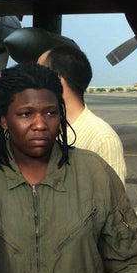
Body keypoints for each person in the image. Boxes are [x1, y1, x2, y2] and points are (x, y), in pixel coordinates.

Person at [0, 62, 137, 273]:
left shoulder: (94, 173)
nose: (40, 124)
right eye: (26, 114)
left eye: (50, 112)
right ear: (4, 120)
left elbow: (132, 262)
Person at [37, 45, 127, 184]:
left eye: (38, 73)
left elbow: (113, 203)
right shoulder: (39, 133)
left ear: (57, 80)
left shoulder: (102, 140)